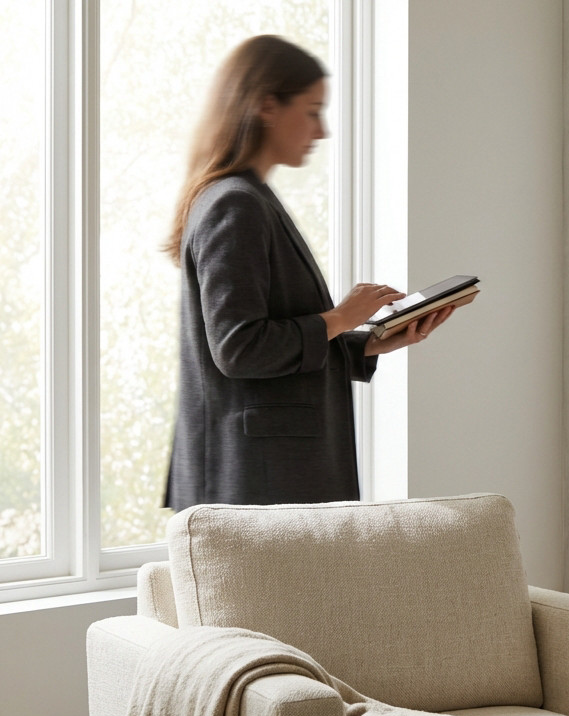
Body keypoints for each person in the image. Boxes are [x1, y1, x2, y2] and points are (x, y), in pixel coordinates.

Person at [162, 35, 451, 511]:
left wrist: (368, 341)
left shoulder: (246, 198)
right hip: (256, 482)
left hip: (265, 479)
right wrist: (342, 317)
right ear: (267, 106)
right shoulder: (236, 203)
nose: (322, 131)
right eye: (313, 110)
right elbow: (239, 348)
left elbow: (266, 340)